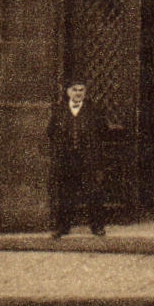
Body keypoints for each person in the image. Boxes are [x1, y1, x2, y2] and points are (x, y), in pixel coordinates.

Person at [47, 81, 107, 237]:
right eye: (75, 90)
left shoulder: (94, 110)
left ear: (85, 93)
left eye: (81, 90)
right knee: (65, 193)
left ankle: (97, 226)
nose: (78, 93)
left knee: (93, 191)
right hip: (67, 159)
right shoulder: (59, 111)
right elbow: (51, 132)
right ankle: (63, 227)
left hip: (89, 159)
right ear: (68, 92)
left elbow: (103, 130)